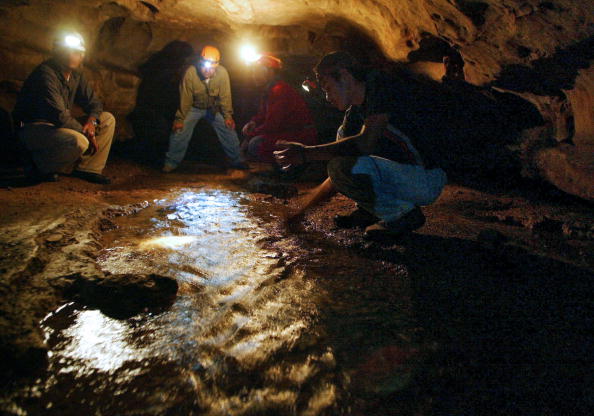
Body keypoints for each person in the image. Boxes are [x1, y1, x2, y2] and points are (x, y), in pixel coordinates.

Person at [274, 51, 447, 240]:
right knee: (342, 150)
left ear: (345, 76)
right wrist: (301, 212)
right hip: (403, 175)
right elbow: (337, 176)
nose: (327, 97)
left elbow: (364, 144)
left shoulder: (381, 87)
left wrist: (306, 153)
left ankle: (402, 215)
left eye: (328, 87)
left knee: (343, 160)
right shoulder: (354, 115)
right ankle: (371, 211)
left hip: (426, 178)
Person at [13, 31, 115, 184]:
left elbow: (95, 104)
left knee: (107, 119)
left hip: (56, 129)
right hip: (32, 129)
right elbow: (59, 116)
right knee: (78, 140)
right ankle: (39, 167)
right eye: (66, 51)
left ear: (82, 56)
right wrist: (88, 133)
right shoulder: (46, 74)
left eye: (76, 52)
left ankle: (87, 169)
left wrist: (92, 122)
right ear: (56, 51)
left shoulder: (76, 76)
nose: (71, 55)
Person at [163, 45, 246, 172]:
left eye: (211, 67)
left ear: (217, 65)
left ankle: (237, 160)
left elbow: (225, 96)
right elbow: (185, 99)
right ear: (200, 62)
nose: (207, 71)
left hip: (212, 108)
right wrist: (179, 119)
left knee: (228, 127)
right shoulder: (190, 73)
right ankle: (171, 163)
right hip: (194, 107)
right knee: (179, 129)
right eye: (204, 66)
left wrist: (228, 116)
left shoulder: (222, 73)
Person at [241, 54, 317, 164]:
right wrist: (253, 122)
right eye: (253, 71)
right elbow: (263, 115)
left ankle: (278, 170)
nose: (254, 75)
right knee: (255, 140)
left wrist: (248, 138)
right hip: (288, 132)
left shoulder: (279, 91)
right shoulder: (270, 90)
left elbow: (272, 125)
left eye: (257, 71)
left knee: (255, 144)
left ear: (270, 72)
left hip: (300, 135)